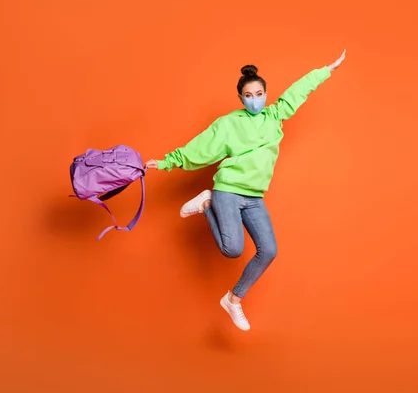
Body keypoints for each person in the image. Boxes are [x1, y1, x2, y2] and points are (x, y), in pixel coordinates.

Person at [145, 50, 347, 331]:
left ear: (266, 94)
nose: (255, 99)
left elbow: (297, 93)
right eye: (249, 95)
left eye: (259, 93)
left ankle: (233, 299)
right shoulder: (229, 123)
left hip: (254, 196)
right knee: (232, 249)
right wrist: (167, 162)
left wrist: (326, 71)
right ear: (240, 99)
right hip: (227, 190)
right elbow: (200, 147)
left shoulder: (275, 116)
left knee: (269, 251)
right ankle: (207, 204)